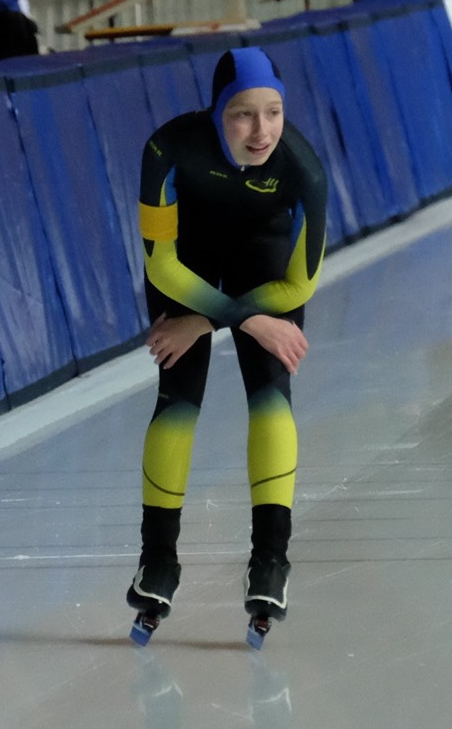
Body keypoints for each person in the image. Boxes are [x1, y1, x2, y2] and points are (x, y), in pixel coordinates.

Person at [125, 46, 328, 644]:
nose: (261, 131)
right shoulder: (167, 149)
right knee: (178, 397)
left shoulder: (304, 170)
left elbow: (301, 282)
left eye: (273, 112)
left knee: (271, 394)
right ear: (217, 112)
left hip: (266, 267)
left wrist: (215, 321)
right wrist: (232, 320)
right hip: (186, 266)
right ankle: (157, 560)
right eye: (242, 114)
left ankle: (271, 560)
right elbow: (161, 265)